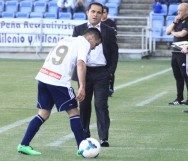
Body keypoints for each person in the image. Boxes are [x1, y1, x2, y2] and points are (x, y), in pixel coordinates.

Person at [17, 28, 102, 156]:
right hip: (58, 81)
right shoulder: (84, 43)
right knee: (74, 112)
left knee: (43, 113)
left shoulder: (66, 40)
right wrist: (82, 86)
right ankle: (82, 148)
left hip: (44, 76)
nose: (94, 47)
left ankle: (23, 145)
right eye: (96, 44)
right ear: (91, 38)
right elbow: (80, 64)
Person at [71, 2, 119, 147]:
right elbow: (73, 51)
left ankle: (103, 137)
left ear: (102, 14)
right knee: (84, 105)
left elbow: (114, 52)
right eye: (93, 11)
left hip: (102, 73)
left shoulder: (109, 31)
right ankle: (84, 135)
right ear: (87, 12)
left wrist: (109, 72)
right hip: (83, 72)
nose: (95, 14)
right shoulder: (78, 29)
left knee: (101, 105)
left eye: (99, 12)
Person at [166, 3, 188, 105]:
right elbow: (167, 31)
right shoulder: (177, 21)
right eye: (178, 11)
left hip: (184, 51)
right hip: (175, 51)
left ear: (186, 11)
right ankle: (180, 98)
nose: (178, 13)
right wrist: (174, 22)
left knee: (186, 75)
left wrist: (173, 33)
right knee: (177, 75)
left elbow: (182, 34)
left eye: (180, 11)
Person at [101, 5, 118, 96]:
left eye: (104, 12)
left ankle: (110, 87)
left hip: (109, 49)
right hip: (100, 49)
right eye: (101, 12)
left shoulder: (111, 23)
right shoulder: (98, 23)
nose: (102, 14)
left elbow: (115, 34)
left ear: (107, 13)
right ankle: (103, 88)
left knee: (111, 70)